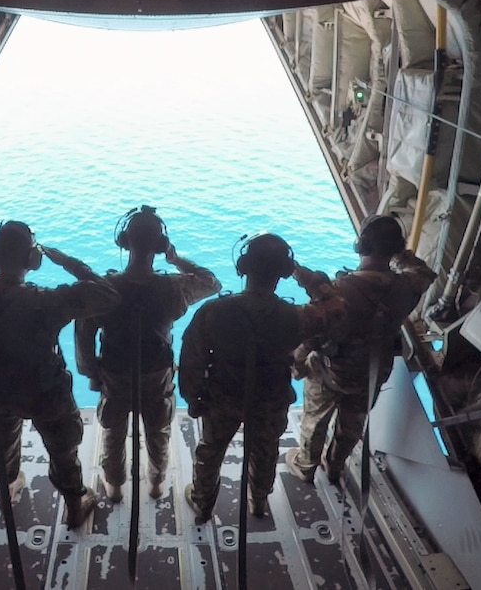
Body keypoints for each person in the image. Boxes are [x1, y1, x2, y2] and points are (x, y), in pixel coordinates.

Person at [0, 221, 121, 529]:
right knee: (63, 451)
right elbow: (108, 295)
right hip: (46, 394)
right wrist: (67, 261)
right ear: (31, 260)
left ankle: (5, 490)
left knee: (0, 443)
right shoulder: (47, 301)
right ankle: (75, 504)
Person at [178, 233, 344, 522]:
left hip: (223, 398)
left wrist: (194, 399)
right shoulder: (296, 317)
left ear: (243, 266)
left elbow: (191, 361)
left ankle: (203, 501)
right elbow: (336, 308)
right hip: (270, 399)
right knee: (265, 452)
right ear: (283, 271)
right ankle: (258, 501)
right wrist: (304, 276)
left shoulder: (213, 312)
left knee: (210, 452)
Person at [75, 206, 221, 502]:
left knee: (113, 432)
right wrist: (176, 258)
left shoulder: (106, 287)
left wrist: (91, 373)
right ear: (160, 245)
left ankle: (114, 488)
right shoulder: (174, 287)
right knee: (158, 432)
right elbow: (211, 282)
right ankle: (156, 484)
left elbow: (84, 331)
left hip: (114, 373)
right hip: (157, 374)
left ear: (123, 241)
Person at [286, 214, 437, 485]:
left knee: (315, 421)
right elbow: (424, 272)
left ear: (362, 246)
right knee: (351, 427)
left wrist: (296, 364)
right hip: (372, 373)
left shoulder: (341, 291)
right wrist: (401, 255)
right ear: (396, 248)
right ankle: (334, 467)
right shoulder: (407, 286)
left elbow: (313, 337)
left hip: (332, 372)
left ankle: (305, 465)